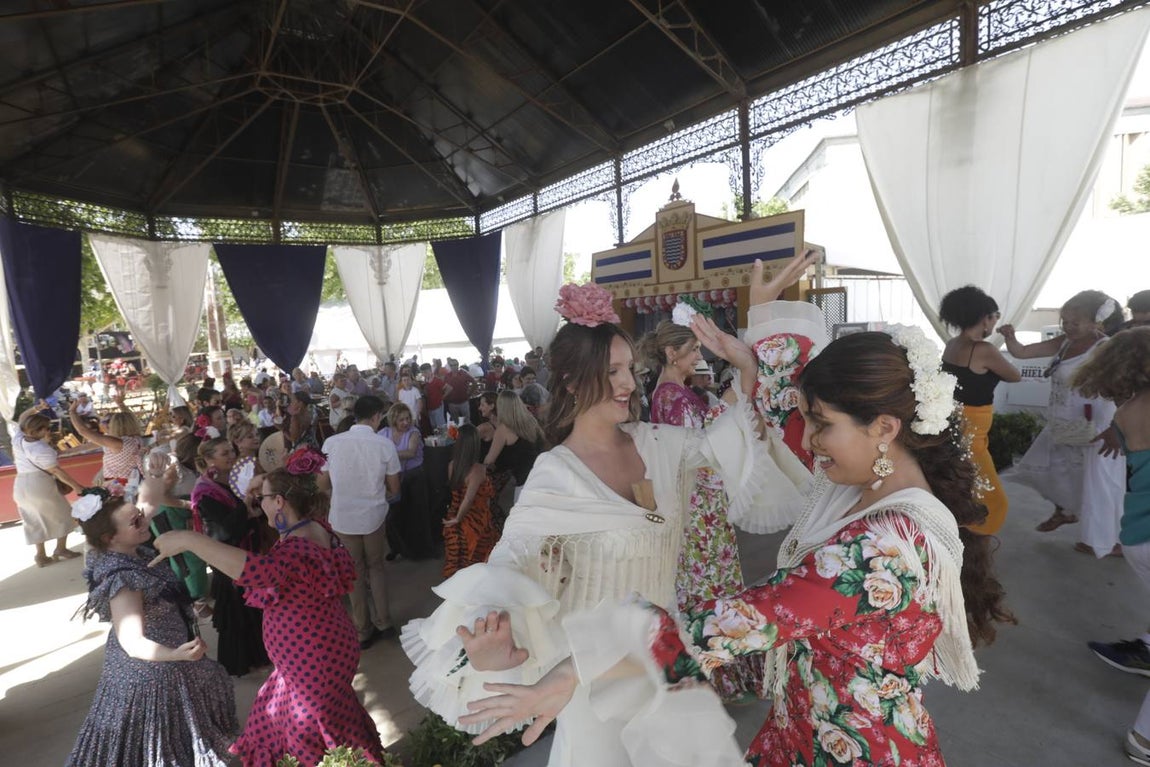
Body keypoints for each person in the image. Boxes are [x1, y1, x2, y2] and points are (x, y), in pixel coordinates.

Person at [459, 257, 1015, 767]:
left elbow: (728, 625)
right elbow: (786, 415)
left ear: (885, 428)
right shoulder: (868, 480)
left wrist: (577, 670)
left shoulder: (879, 548)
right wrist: (763, 329)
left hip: (854, 748)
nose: (810, 442)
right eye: (611, 370)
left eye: (822, 425)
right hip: (804, 728)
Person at [403, 261, 813, 766]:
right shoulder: (555, 476)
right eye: (612, 372)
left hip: (668, 664)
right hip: (595, 685)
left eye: (630, 371)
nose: (629, 384)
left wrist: (748, 360)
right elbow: (507, 567)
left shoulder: (663, 446)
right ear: (573, 382)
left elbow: (734, 442)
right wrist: (493, 643)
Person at [151, 468, 388, 766]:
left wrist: (189, 540)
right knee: (293, 719)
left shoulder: (296, 547)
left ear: (278, 501)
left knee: (311, 734)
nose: (254, 500)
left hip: (314, 659)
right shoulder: (311, 526)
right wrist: (252, 510)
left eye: (259, 496)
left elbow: (255, 571)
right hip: (313, 655)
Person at [65, 488, 238, 767]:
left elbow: (148, 502)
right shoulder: (123, 580)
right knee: (155, 743)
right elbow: (132, 641)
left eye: (139, 516)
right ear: (110, 537)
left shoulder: (124, 550)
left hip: (169, 661)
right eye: (135, 522)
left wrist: (157, 477)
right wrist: (175, 654)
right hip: (152, 673)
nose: (144, 521)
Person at [641, 315, 762, 702]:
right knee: (709, 589)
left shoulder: (671, 393)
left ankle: (718, 674)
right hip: (697, 510)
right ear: (671, 352)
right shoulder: (670, 396)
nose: (699, 355)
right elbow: (696, 447)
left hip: (701, 505)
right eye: (692, 349)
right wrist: (727, 399)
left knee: (709, 587)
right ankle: (719, 676)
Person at [1071, 328, 1150, 764]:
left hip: (1138, 534)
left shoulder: (1127, 409)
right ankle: (1144, 739)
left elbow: (1119, 440)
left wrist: (1111, 437)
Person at [1002, 290, 1127, 555]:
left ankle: (1110, 540)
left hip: (1096, 425)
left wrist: (1116, 429)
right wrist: (1010, 337)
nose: (1068, 327)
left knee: (1100, 480)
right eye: (1065, 322)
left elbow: (1124, 389)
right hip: (1062, 421)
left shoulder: (1105, 348)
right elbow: (1022, 353)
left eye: (1075, 322)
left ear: (1096, 322)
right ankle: (1067, 510)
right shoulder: (1064, 342)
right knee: (1050, 468)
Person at [938, 286, 1021, 535]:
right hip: (972, 431)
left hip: (954, 422)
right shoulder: (983, 350)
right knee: (994, 501)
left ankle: (960, 539)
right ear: (985, 318)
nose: (996, 321)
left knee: (964, 491)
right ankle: (972, 549)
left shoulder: (952, 344)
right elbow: (1014, 376)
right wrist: (1009, 340)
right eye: (995, 315)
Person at [322, 395, 402, 650]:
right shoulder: (384, 445)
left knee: (353, 572)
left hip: (343, 517)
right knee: (376, 567)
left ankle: (363, 630)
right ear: (377, 416)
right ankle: (384, 622)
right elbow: (395, 487)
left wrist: (340, 495)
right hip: (373, 516)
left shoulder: (332, 443)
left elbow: (322, 483)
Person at [191, 436, 269, 676]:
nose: (232, 456)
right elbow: (224, 531)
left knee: (252, 610)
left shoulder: (231, 482)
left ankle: (260, 655)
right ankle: (243, 661)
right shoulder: (205, 493)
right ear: (209, 459)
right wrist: (246, 506)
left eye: (232, 451)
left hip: (247, 551)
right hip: (229, 557)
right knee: (237, 611)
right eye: (225, 453)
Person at [12, 404, 85, 566]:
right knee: (64, 513)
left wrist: (36, 408)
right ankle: (60, 548)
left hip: (20, 483)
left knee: (34, 518)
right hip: (39, 484)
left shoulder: (18, 438)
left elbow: (23, 416)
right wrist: (77, 486)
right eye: (45, 429)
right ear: (35, 431)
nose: (48, 431)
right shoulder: (41, 449)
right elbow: (57, 472)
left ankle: (40, 555)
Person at [442, 424, 499, 578]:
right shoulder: (478, 470)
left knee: (457, 563)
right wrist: (458, 518)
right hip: (475, 522)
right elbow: (468, 498)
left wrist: (454, 519)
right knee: (477, 565)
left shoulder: (451, 465)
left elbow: (457, 493)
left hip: (453, 520)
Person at [381, 401, 433, 560]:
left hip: (413, 475)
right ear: (393, 420)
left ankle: (420, 550)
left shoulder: (414, 432)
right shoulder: (384, 433)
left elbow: (411, 453)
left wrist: (386, 453)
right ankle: (396, 547)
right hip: (393, 477)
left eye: (407, 419)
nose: (406, 423)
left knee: (416, 514)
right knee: (393, 516)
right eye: (401, 419)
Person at [483, 391, 544, 505]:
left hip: (523, 482)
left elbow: (489, 460)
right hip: (539, 475)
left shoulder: (503, 429)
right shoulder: (531, 421)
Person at [70, 394, 144, 485]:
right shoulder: (135, 438)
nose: (104, 424)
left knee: (96, 483)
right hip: (130, 478)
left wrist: (72, 412)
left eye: (108, 422)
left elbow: (83, 431)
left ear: (115, 425)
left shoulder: (117, 443)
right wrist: (121, 404)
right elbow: (131, 418)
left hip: (117, 483)